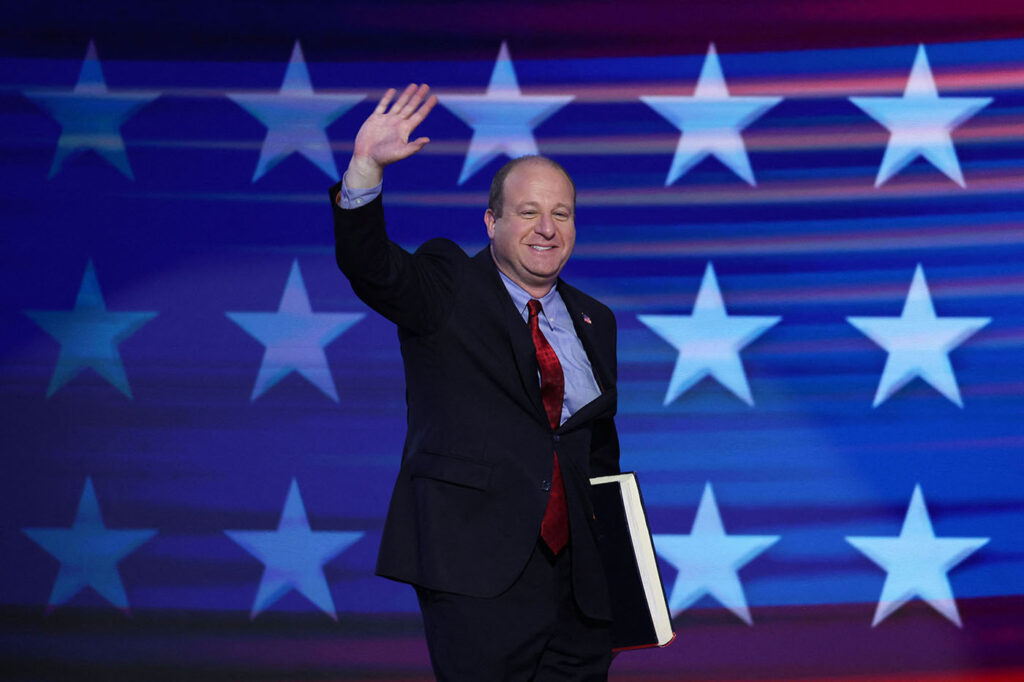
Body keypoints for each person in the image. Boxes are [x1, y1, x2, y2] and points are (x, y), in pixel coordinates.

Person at [330, 83, 620, 681]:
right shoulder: (449, 285)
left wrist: (623, 571)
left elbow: (597, 454)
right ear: (492, 222)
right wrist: (365, 170)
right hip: (476, 568)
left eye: (561, 214)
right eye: (528, 212)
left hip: (581, 588)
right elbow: (372, 267)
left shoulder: (597, 318)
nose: (547, 228)